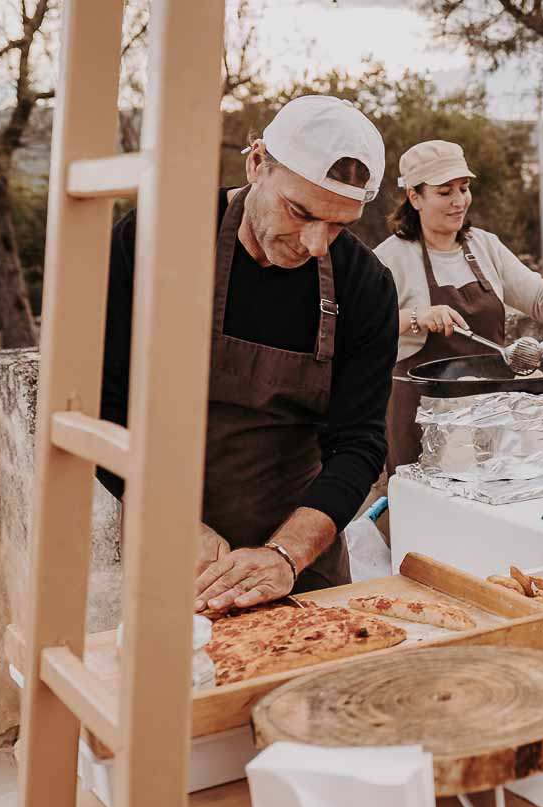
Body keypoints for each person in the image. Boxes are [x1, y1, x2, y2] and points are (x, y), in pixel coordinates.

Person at [99, 96, 397, 612]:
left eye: (338, 226)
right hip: (169, 539)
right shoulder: (152, 240)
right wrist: (172, 521)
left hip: (301, 553)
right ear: (257, 163)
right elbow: (102, 404)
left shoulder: (364, 284)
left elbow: (360, 442)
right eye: (300, 212)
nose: (315, 244)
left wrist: (285, 554)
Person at [374, 140, 543, 473]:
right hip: (420, 415)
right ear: (414, 197)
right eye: (444, 192)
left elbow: (538, 295)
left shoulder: (484, 245)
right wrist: (418, 317)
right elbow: (361, 328)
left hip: (488, 411)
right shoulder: (389, 257)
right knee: (422, 500)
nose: (459, 201)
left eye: (464, 189)